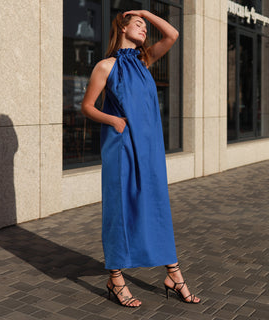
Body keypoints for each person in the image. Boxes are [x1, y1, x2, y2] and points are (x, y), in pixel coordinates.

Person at [81, 10, 200, 307]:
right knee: (120, 209)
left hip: (149, 149)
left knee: (156, 206)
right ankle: (116, 278)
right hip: (121, 146)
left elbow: (172, 35)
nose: (144, 29)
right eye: (138, 24)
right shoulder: (105, 67)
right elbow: (87, 107)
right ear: (122, 27)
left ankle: (173, 273)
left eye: (146, 25)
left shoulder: (145, 62)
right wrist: (114, 121)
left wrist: (145, 12)